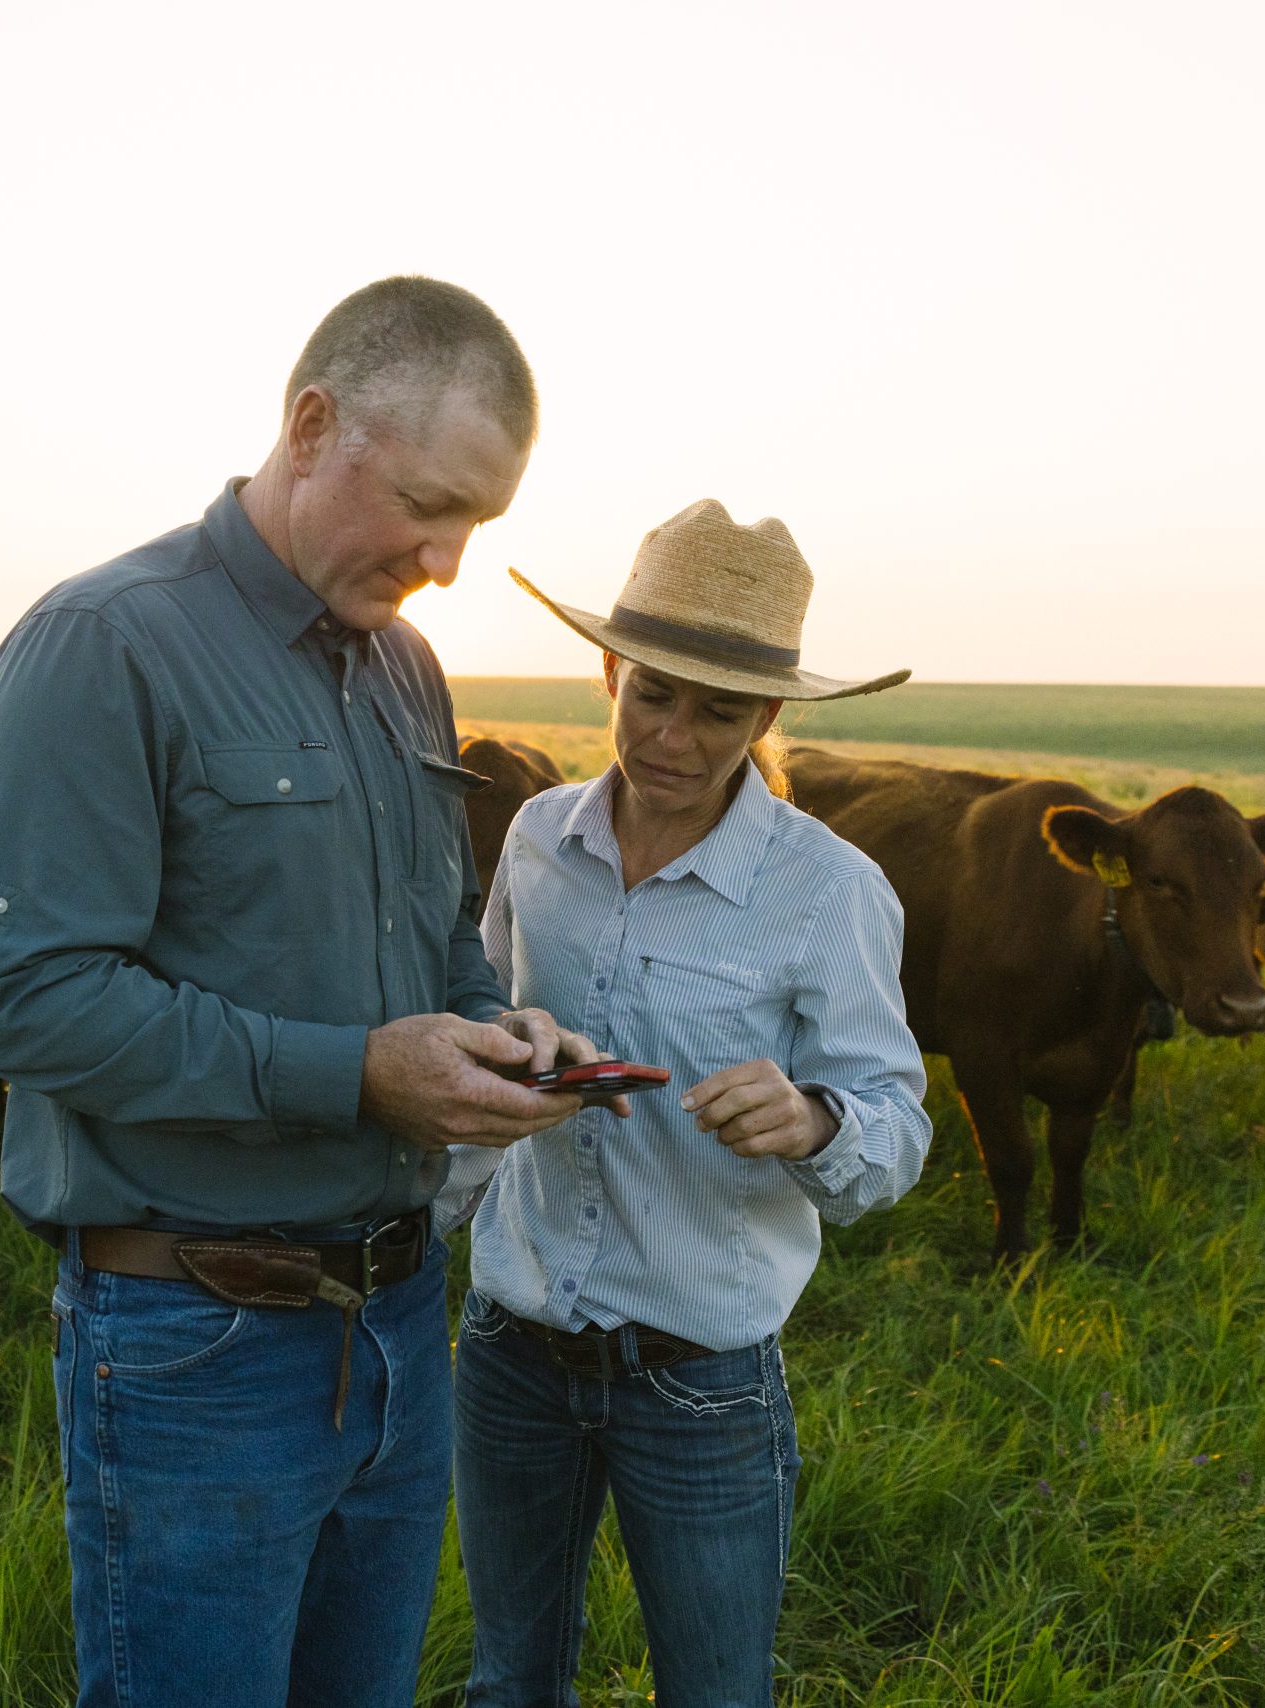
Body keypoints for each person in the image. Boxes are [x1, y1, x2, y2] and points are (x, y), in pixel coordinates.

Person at [0, 277, 609, 1708]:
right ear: (313, 426)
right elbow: (31, 1003)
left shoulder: (408, 671)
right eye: (429, 504)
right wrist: (359, 1073)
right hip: (199, 1338)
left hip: (394, 1321)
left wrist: (497, 1030)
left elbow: (431, 931)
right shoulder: (101, 645)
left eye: (479, 525)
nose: (446, 559)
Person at [442, 499, 934, 1707]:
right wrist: (511, 1045)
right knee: (510, 1680)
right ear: (607, 670)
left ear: (767, 716)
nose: (675, 733)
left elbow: (898, 1124)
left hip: (699, 1371)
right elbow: (477, 1030)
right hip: (511, 1344)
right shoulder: (535, 840)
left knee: (714, 1693)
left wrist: (817, 1121)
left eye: (720, 709)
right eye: (654, 691)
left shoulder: (829, 888)